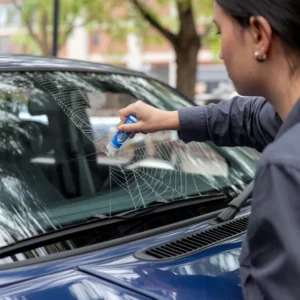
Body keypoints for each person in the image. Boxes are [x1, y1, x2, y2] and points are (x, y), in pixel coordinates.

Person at [117, 1, 300, 299]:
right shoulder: (287, 119)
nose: (220, 52)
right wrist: (168, 119)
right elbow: (251, 117)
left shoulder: (286, 168)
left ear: (259, 35)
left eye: (219, 32)